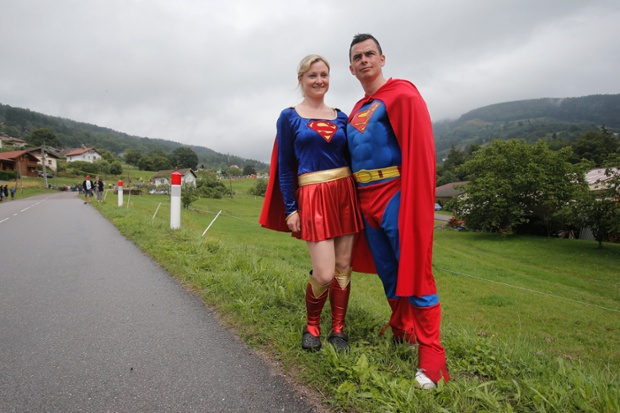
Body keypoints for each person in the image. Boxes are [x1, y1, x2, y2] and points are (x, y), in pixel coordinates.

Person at [346, 33, 450, 388]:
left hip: (394, 194)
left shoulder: (403, 94)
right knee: (389, 273)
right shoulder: (359, 108)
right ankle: (402, 329)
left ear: (382, 59)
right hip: (364, 197)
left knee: (416, 272)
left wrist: (413, 202)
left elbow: (420, 152)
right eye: (357, 56)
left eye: (369, 54)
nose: (364, 60)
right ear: (351, 67)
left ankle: (432, 359)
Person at [259, 54, 364, 352]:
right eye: (312, 75)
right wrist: (291, 208)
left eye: (324, 75)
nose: (319, 80)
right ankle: (312, 325)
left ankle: (339, 330)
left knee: (344, 267)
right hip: (313, 197)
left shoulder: (342, 117)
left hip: (344, 194)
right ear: (301, 80)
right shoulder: (289, 116)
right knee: (324, 272)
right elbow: (284, 165)